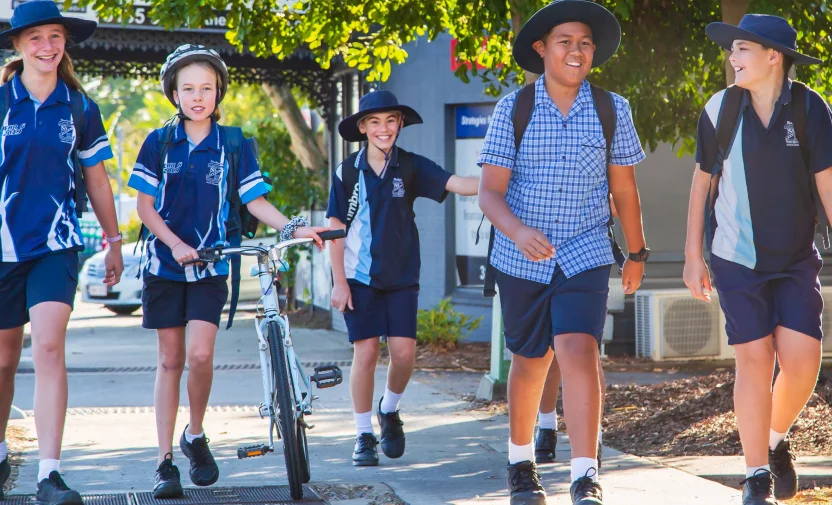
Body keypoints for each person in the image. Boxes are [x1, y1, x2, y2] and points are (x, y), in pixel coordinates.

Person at [127, 44, 329, 498]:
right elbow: (145, 207)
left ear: (219, 93)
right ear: (173, 94)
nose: (198, 96)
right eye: (188, 89)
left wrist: (296, 227)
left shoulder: (235, 143)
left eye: (207, 88)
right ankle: (164, 463)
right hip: (164, 266)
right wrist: (176, 244)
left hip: (212, 267)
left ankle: (195, 435)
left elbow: (254, 201)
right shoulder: (158, 143)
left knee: (199, 357)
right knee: (170, 360)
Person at [478, 1, 649, 503]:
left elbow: (625, 191)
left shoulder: (612, 108)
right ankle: (520, 463)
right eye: (564, 41)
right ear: (541, 49)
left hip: (586, 250)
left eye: (585, 43)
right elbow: (490, 192)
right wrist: (517, 230)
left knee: (579, 350)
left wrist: (636, 254)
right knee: (529, 361)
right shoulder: (515, 107)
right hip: (522, 258)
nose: (576, 51)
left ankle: (583, 473)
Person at [684, 14, 832, 505]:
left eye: (742, 48)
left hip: (793, 257)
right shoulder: (720, 108)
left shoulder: (812, 109)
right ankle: (756, 478)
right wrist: (691, 255)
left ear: (774, 57)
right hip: (736, 257)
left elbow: (828, 187)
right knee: (753, 358)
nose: (732, 57)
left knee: (803, 360)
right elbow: (701, 182)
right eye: (733, 49)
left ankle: (772, 440)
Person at [0, 1, 124, 503]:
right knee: (4, 360)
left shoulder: (80, 107)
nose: (47, 46)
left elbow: (96, 177)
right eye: (36, 38)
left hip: (57, 244)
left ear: (65, 42)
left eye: (55, 36)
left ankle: (49, 473)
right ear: (17, 45)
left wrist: (115, 242)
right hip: (3, 248)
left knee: (49, 348)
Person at [327, 90, 479, 467]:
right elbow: (335, 229)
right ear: (362, 127)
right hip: (358, 278)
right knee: (365, 353)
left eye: (390, 121)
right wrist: (339, 281)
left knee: (405, 354)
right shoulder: (347, 171)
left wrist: (500, 178)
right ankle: (363, 434)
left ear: (400, 124)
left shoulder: (410, 166)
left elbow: (457, 183)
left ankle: (389, 410)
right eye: (374, 122)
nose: (383, 128)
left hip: (402, 277)